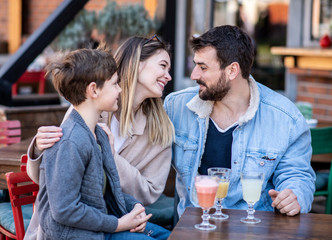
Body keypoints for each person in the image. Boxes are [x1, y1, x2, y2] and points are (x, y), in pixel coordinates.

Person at [24, 36, 174, 239]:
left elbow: (148, 192)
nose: (169, 76)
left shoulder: (159, 127)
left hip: (118, 218)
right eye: (163, 66)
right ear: (136, 65)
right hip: (76, 231)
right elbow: (57, 183)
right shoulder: (91, 109)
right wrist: (40, 149)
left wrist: (133, 208)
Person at [163, 25, 316, 218]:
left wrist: (294, 196)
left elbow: (297, 176)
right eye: (195, 65)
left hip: (251, 229)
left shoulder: (286, 119)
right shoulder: (176, 106)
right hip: (194, 228)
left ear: (232, 70)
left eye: (203, 68)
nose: (194, 75)